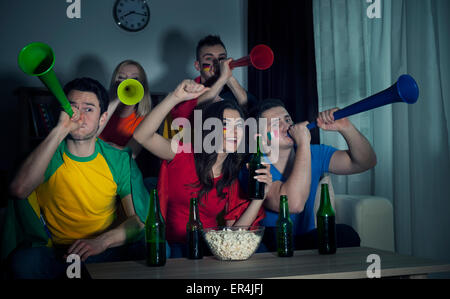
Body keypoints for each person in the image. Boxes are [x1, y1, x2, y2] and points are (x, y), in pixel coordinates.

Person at [3, 77, 153, 279]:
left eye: (89, 109)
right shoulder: (45, 155)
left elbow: (138, 221)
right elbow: (19, 190)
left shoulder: (118, 159)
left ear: (102, 118)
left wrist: (101, 242)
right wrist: (60, 129)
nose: (78, 116)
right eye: (72, 107)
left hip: (104, 249)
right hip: (55, 252)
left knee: (153, 250)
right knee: (23, 263)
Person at [133, 79, 271, 258]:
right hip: (172, 247)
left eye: (239, 126)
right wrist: (174, 97)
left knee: (260, 252)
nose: (235, 132)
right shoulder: (183, 153)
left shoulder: (231, 175)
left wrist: (260, 198)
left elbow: (235, 235)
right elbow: (141, 136)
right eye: (226, 125)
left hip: (208, 248)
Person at [243, 98, 377, 252]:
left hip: (304, 240)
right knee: (272, 237)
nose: (286, 126)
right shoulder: (253, 167)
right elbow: (294, 204)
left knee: (346, 234)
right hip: (273, 242)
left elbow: (366, 162)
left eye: (287, 120)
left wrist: (346, 127)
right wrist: (303, 144)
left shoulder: (315, 153)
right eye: (275, 124)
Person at [98, 60, 160, 187]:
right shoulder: (101, 110)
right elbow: (90, 135)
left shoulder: (146, 119)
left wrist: (100, 147)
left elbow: (129, 154)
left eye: (134, 79)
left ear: (142, 86)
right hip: (96, 170)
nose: (127, 83)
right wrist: (116, 99)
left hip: (124, 177)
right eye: (121, 78)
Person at [170, 35, 257, 123]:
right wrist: (223, 78)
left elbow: (252, 112)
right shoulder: (188, 90)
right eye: (209, 58)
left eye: (221, 58)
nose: (216, 63)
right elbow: (183, 117)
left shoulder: (233, 90)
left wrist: (229, 77)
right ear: (198, 66)